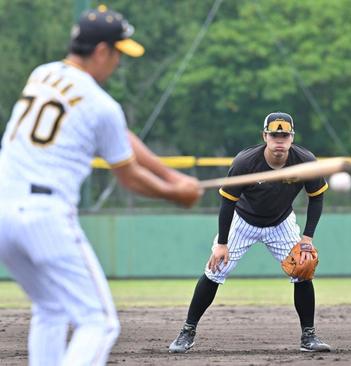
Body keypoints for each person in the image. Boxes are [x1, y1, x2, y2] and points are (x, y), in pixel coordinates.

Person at [0, 6, 202, 366]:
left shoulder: (43, 74)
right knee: (100, 322)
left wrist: (172, 175)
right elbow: (128, 176)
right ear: (102, 51)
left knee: (50, 307)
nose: (118, 64)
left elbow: (120, 137)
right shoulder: (99, 104)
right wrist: (176, 194)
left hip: (4, 212)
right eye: (118, 54)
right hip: (45, 217)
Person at [169, 112, 331, 353]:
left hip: (281, 223)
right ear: (264, 136)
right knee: (214, 271)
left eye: (284, 135)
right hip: (242, 222)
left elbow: (316, 199)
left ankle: (309, 336)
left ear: (291, 137)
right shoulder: (246, 162)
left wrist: (307, 239)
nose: (279, 140)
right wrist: (221, 243)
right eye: (274, 135)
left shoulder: (305, 161)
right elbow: (227, 203)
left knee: (302, 272)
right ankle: (187, 332)